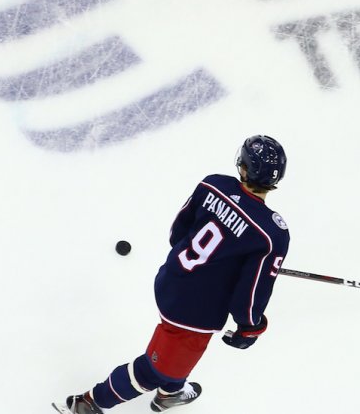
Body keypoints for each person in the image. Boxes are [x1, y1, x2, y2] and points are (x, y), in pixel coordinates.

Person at [55, 135, 291, 413]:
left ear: (243, 166)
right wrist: (250, 327)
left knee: (175, 359)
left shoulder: (213, 184)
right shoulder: (271, 234)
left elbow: (177, 233)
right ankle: (89, 403)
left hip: (171, 280)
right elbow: (250, 294)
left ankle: (171, 393)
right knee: (152, 372)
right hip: (194, 314)